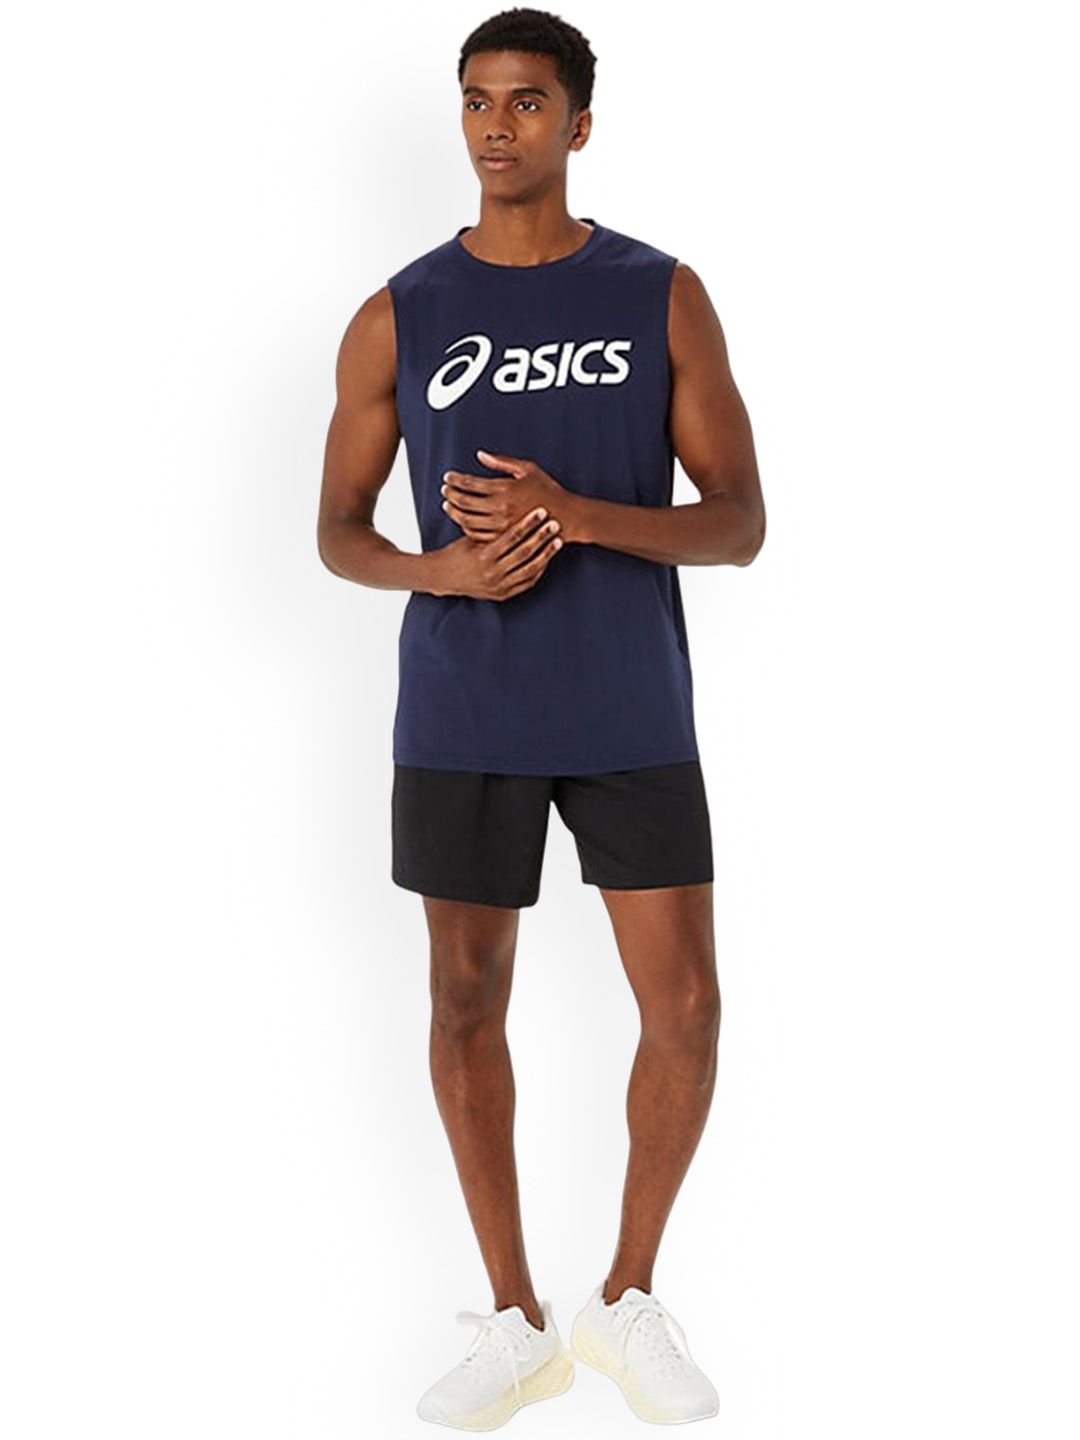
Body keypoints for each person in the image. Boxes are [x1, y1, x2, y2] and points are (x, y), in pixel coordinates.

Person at [317, 7, 764, 1429]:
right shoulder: (399, 312)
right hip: (465, 709)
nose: (496, 126)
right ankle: (515, 1323)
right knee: (463, 1000)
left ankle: (625, 1301)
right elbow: (337, 531)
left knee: (684, 1005)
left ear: (578, 123)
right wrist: (434, 569)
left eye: (524, 101)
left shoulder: (661, 294)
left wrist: (579, 514)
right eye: (475, 100)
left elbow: (739, 523)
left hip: (630, 703)